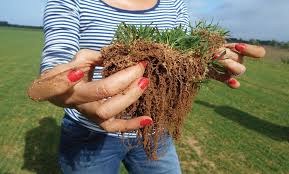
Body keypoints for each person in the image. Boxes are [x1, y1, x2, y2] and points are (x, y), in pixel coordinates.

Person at [27, 0, 266, 173]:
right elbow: (55, 66)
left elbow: (181, 53)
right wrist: (58, 85)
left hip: (155, 130)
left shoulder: (173, 4)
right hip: (88, 132)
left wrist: (205, 61)